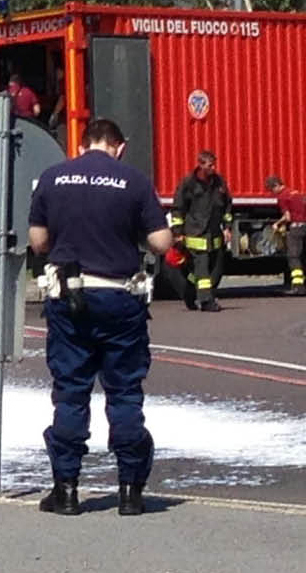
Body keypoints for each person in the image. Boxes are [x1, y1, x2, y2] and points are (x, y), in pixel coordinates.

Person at [27, 117, 174, 517]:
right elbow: (161, 243)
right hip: (120, 299)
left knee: (71, 392)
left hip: (69, 298)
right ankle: (130, 491)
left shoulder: (52, 179)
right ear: (118, 146)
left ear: (82, 143)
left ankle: (67, 491)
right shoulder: (134, 181)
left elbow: (38, 242)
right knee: (124, 392)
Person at [170, 150, 234, 312]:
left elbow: (227, 205)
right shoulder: (188, 183)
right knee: (202, 267)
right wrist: (178, 233)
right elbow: (178, 208)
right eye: (210, 165)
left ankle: (190, 293)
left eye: (214, 165)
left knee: (215, 271)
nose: (213, 168)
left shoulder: (219, 182)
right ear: (200, 164)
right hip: (195, 233)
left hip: (214, 235)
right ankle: (206, 301)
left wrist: (227, 228)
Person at [269, 175, 306, 296]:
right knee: (303, 255)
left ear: (276, 186)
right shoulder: (296, 193)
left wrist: (277, 224)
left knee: (293, 256)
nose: (272, 193)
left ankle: (298, 286)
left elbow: (288, 216)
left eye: (271, 190)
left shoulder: (283, 196)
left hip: (296, 228)